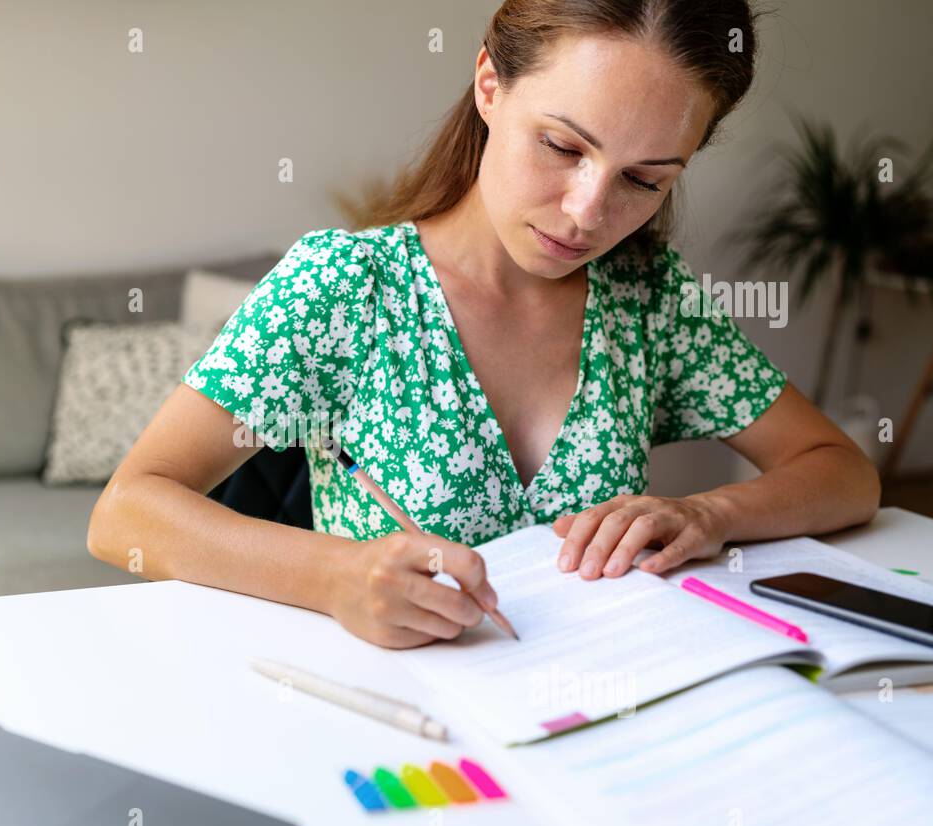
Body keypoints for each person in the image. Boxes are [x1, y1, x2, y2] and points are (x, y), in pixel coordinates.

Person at [87, 0, 880, 650]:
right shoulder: (343, 287)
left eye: (644, 179)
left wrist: (709, 514)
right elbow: (127, 509)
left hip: (598, 709)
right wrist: (332, 575)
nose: (588, 212)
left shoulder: (651, 300)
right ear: (491, 84)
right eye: (563, 145)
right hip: (406, 734)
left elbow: (842, 472)